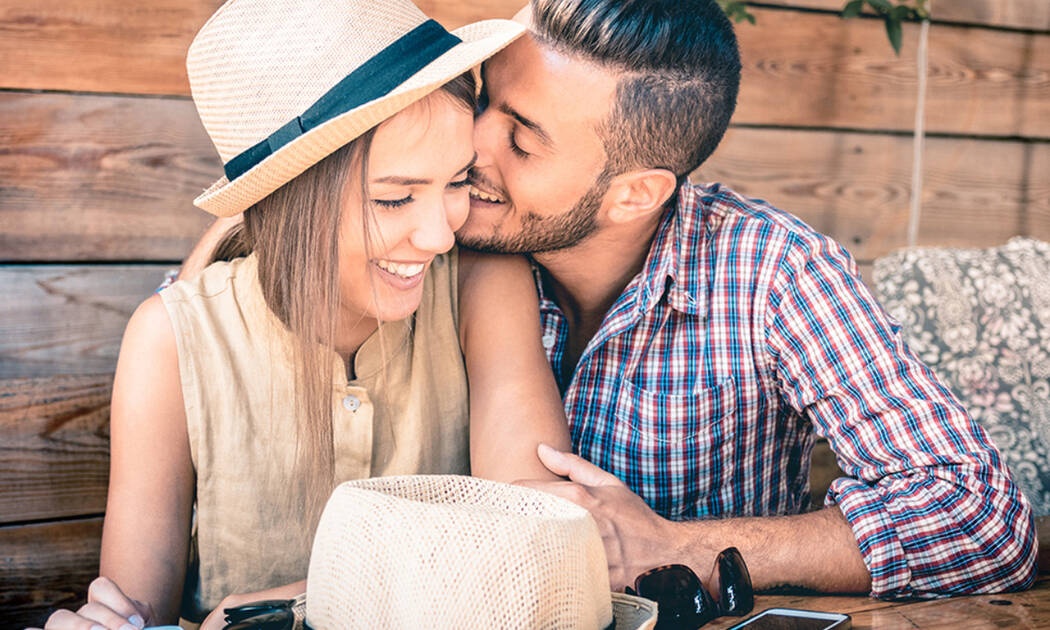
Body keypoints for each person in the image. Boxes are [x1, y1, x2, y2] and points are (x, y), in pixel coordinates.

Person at [454, 0, 1038, 600]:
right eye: (480, 100)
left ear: (635, 195)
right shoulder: (430, 232)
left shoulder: (774, 271)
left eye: (521, 143)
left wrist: (682, 549)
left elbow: (982, 519)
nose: (471, 145)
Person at [41, 1, 572, 629]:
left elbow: (541, 539)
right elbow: (136, 611)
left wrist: (289, 605)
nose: (439, 236)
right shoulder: (171, 340)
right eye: (395, 198)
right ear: (293, 203)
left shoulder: (483, 286)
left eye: (456, 182)